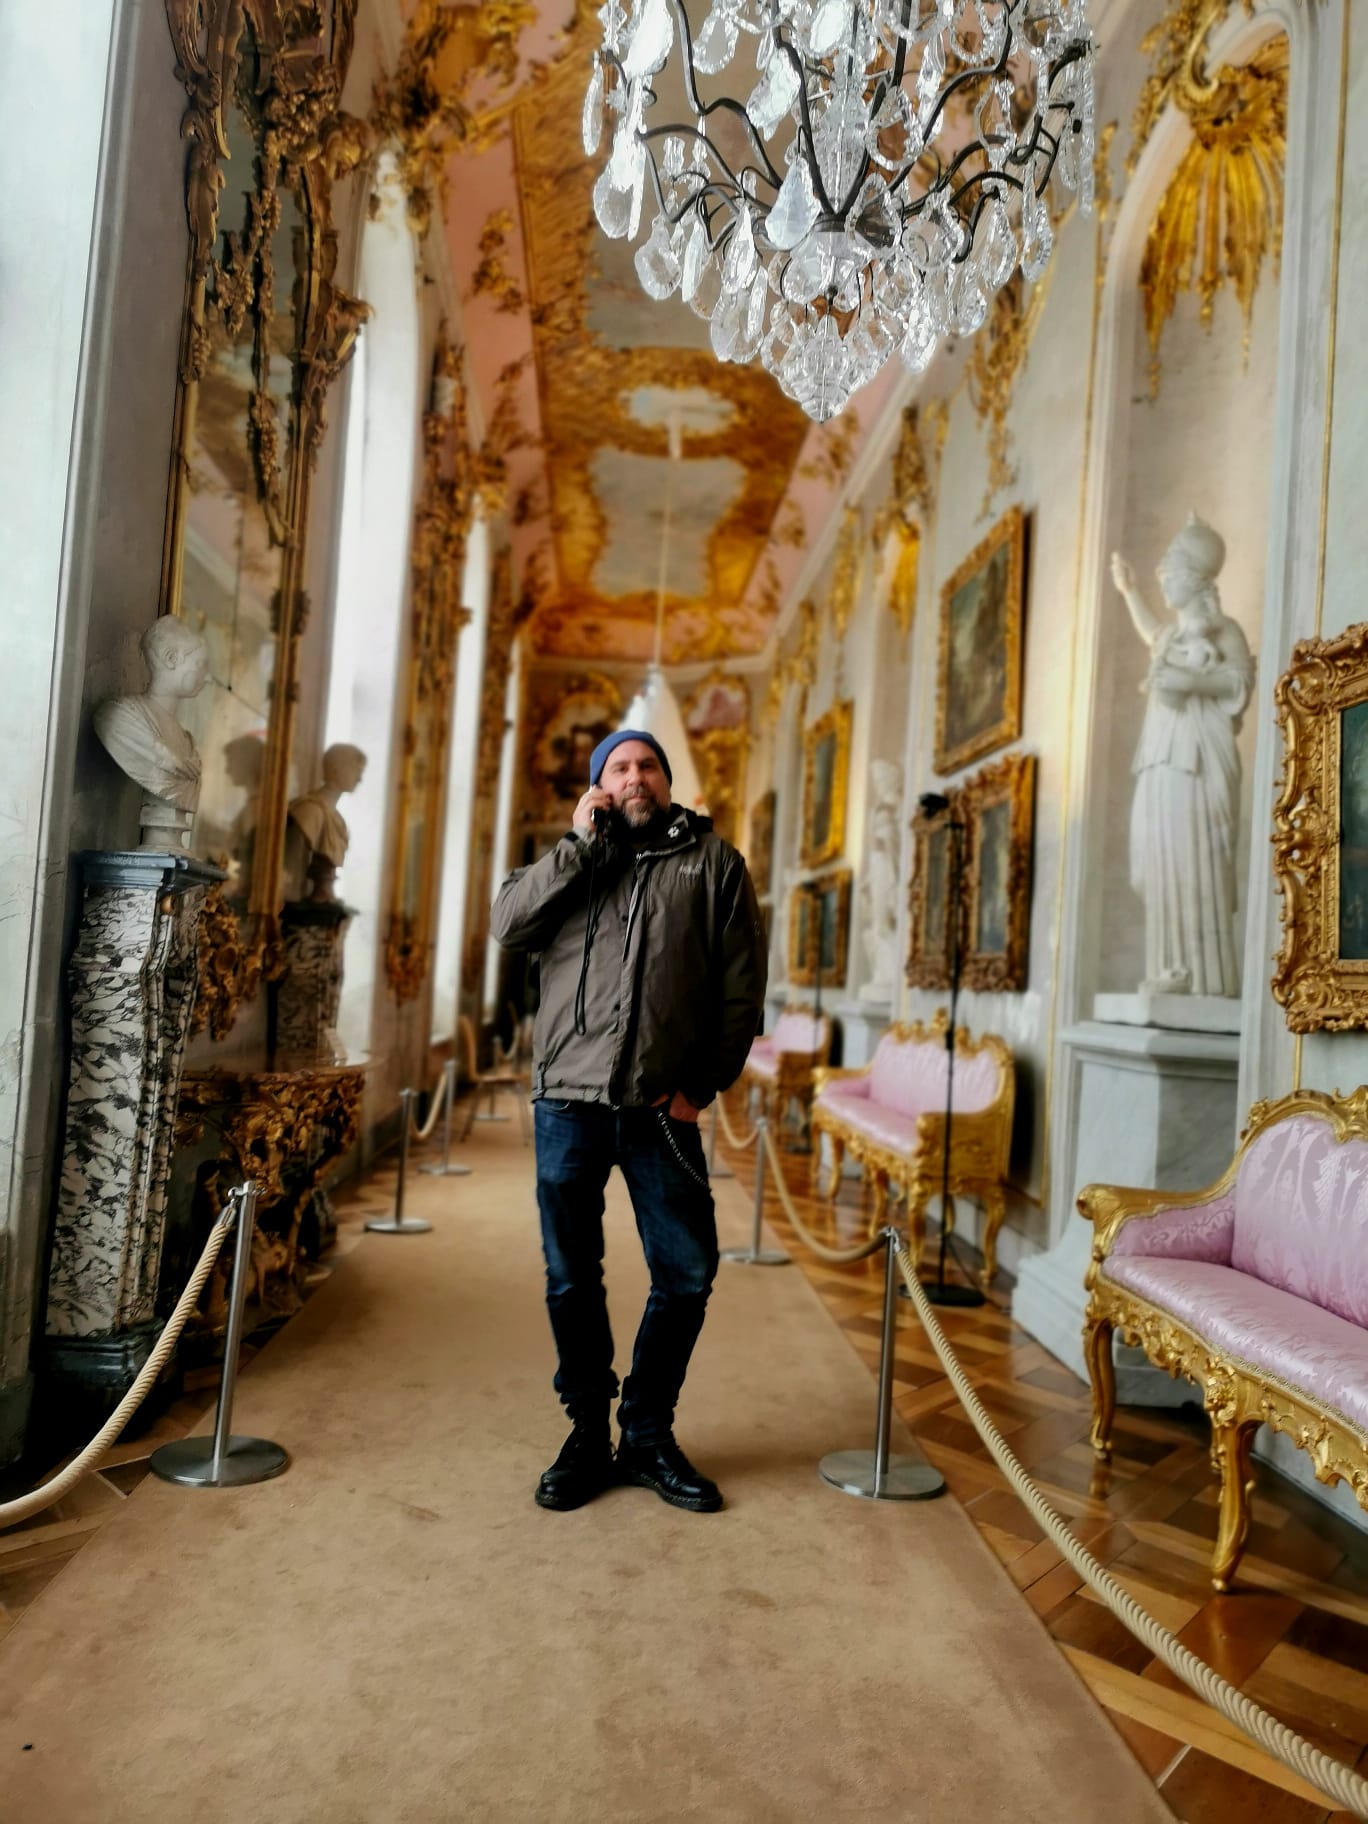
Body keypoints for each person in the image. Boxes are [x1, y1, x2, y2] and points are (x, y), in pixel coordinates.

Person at [491, 730, 768, 1515]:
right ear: (599, 787)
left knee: (686, 1273)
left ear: (667, 783)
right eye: (619, 767)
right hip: (567, 1104)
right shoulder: (569, 860)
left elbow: (741, 991)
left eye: (648, 765)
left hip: (660, 1109)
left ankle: (646, 1432)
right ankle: (587, 1431)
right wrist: (580, 846)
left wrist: (699, 1088)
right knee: (571, 1275)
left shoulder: (715, 865)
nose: (635, 775)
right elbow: (508, 925)